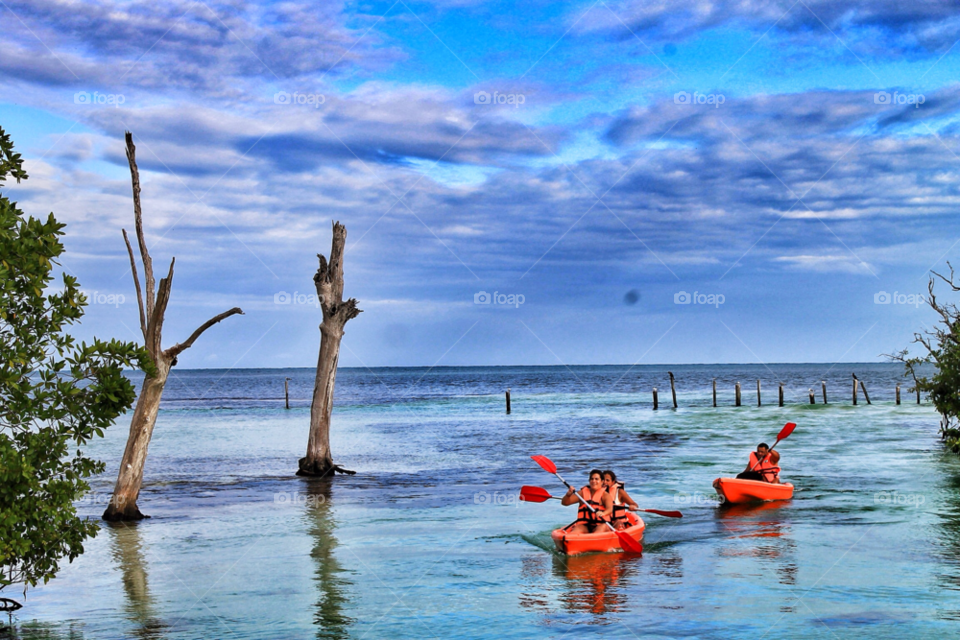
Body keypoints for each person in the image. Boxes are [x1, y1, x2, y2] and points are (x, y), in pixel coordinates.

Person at [561, 469, 613, 534]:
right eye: (592, 479)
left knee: (601, 529)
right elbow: (564, 503)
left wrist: (603, 513)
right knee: (576, 530)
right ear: (589, 481)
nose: (594, 481)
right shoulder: (582, 493)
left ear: (602, 481)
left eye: (596, 479)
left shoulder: (605, 495)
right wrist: (568, 495)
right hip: (585, 525)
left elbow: (610, 509)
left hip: (600, 524)